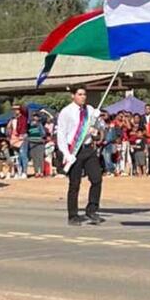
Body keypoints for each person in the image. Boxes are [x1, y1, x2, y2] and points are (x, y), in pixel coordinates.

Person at [56, 85, 105, 225]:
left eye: (84, 94)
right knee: (75, 184)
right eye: (79, 94)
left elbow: (99, 128)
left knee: (97, 179)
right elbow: (61, 135)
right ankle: (73, 215)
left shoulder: (89, 110)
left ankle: (92, 210)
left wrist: (97, 121)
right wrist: (66, 153)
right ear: (73, 95)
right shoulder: (66, 112)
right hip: (74, 150)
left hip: (88, 149)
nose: (83, 97)